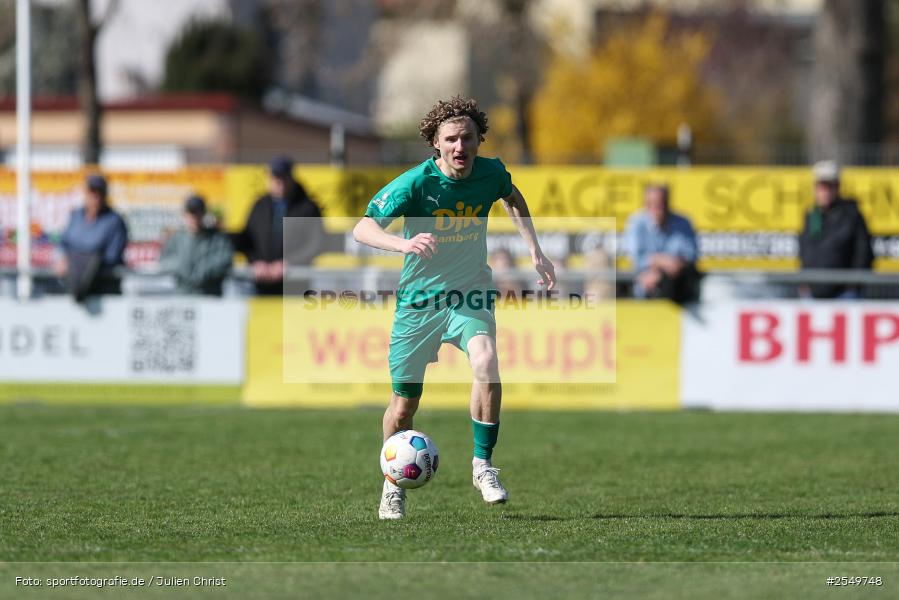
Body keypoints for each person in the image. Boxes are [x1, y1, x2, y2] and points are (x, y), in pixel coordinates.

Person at [352, 96, 557, 520]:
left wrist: (535, 250)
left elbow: (512, 197)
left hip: (470, 293)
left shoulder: (491, 173)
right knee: (403, 406)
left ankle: (483, 465)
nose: (460, 146)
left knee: (486, 360)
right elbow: (363, 227)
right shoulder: (415, 183)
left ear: (479, 140)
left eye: (467, 138)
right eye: (450, 139)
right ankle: (392, 487)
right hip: (419, 303)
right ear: (436, 144)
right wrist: (403, 243)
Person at [232, 156, 325, 296]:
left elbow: (316, 244)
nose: (279, 182)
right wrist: (256, 261)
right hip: (262, 285)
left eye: (283, 177)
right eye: (275, 177)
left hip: (295, 283)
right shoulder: (260, 206)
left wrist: (288, 263)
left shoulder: (308, 207)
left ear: (291, 178)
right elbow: (247, 239)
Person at [798, 160, 874, 299]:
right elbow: (805, 250)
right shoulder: (811, 215)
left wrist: (853, 286)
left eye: (829, 187)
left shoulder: (851, 215)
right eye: (821, 187)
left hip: (844, 295)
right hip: (812, 294)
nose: (824, 192)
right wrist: (804, 281)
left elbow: (863, 253)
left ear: (837, 188)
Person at [55, 174, 128, 300]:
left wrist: (87, 262)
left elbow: (112, 256)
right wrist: (62, 258)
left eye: (100, 192)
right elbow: (63, 243)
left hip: (103, 289)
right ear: (85, 193)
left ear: (105, 194)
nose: (96, 197)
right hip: (73, 286)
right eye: (92, 192)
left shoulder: (114, 221)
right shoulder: (76, 216)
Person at [625, 184, 700, 303]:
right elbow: (636, 258)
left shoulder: (683, 223)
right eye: (653, 203)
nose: (658, 208)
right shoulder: (636, 224)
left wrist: (662, 270)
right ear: (646, 204)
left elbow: (691, 255)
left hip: (679, 285)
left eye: (661, 203)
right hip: (647, 286)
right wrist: (660, 262)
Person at [158, 195, 234, 296]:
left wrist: (204, 270)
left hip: (210, 297)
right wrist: (181, 266)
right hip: (183, 297)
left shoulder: (218, 238)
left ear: (204, 213)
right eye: (191, 212)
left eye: (198, 212)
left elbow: (226, 260)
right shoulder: (176, 239)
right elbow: (163, 262)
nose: (194, 217)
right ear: (184, 214)